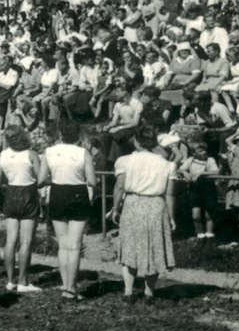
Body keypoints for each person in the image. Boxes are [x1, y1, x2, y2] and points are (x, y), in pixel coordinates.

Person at [112, 126, 177, 304]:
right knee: (154, 247)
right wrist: (171, 217)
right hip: (156, 205)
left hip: (133, 203)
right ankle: (149, 293)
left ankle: (128, 292)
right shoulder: (167, 164)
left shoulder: (125, 161)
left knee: (130, 246)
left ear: (136, 141)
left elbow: (119, 187)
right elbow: (170, 194)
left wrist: (115, 208)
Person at [38, 120, 96, 300]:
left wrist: (54, 179)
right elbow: (92, 182)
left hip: (58, 193)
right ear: (78, 136)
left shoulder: (49, 152)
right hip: (78, 193)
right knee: (75, 245)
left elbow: (40, 180)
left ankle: (66, 286)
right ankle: (71, 288)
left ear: (60, 135)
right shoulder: (83, 153)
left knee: (63, 244)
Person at [0, 126, 42, 293]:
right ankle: (23, 281)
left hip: (11, 192)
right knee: (26, 241)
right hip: (28, 193)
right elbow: (40, 178)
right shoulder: (31, 154)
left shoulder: (3, 155)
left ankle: (10, 280)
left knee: (11, 240)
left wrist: (8, 185)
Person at [178, 142, 219, 240]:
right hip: (195, 190)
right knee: (196, 215)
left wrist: (201, 173)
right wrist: (185, 172)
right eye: (200, 151)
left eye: (205, 150)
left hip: (208, 190)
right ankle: (200, 235)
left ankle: (209, 236)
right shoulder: (190, 160)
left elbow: (216, 171)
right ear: (194, 153)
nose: (204, 152)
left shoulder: (210, 160)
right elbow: (179, 169)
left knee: (209, 215)